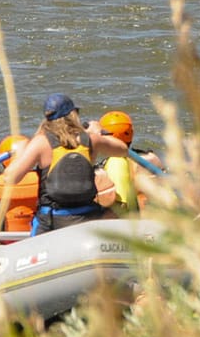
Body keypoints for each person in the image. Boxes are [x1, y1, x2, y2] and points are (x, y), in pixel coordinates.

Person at [7, 94, 135, 234]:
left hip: (51, 220)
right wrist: (97, 133)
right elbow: (123, 149)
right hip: (87, 217)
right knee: (113, 214)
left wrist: (20, 153)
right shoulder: (91, 140)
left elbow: (10, 178)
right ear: (73, 115)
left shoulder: (40, 142)